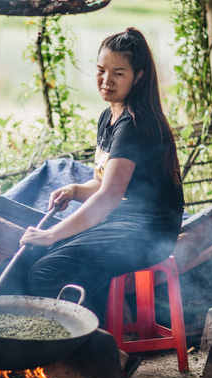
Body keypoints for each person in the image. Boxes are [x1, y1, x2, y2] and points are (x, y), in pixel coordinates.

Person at [18, 27, 184, 320]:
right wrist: (75, 190)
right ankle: (97, 339)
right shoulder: (109, 116)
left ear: (139, 76)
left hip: (148, 233)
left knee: (47, 270)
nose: (106, 80)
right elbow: (102, 182)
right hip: (121, 222)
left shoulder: (133, 124)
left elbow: (109, 196)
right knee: (34, 258)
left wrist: (51, 234)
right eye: (101, 70)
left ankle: (102, 352)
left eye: (118, 73)